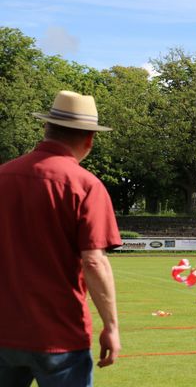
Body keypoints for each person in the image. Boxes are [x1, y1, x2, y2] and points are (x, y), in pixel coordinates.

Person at [0, 91, 122, 386]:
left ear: (47, 128)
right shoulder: (86, 185)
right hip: (60, 336)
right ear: (89, 139)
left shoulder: (4, 175)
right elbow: (94, 262)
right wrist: (111, 326)